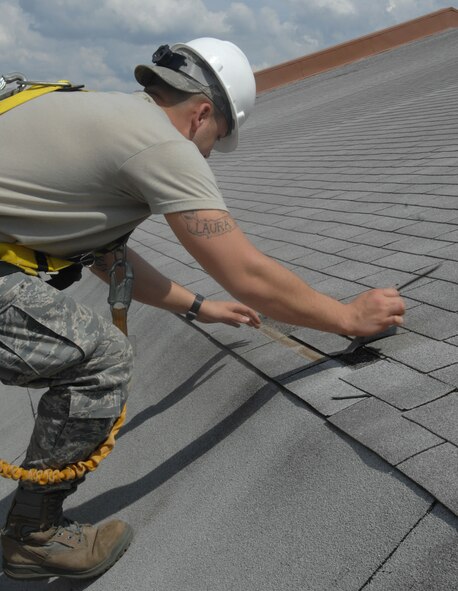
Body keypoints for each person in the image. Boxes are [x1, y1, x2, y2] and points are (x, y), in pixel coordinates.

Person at [0, 38, 405, 581]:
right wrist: (349, 319)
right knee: (103, 362)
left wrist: (200, 307)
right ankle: (34, 536)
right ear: (202, 113)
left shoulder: (89, 114)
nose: (209, 154)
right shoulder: (161, 144)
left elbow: (109, 258)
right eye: (216, 140)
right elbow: (247, 272)